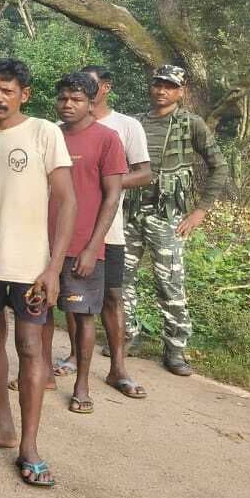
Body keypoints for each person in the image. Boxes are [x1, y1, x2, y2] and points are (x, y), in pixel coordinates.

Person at [0, 59, 75, 487]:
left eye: (7, 91)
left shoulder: (44, 133)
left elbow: (67, 201)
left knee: (30, 348)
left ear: (25, 93)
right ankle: (3, 428)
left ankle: (30, 446)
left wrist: (54, 268)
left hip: (30, 269)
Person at [124, 64, 231, 376]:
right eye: (158, 84)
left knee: (170, 284)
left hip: (167, 216)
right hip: (131, 212)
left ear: (180, 91)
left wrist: (200, 211)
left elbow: (219, 167)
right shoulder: (136, 123)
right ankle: (127, 337)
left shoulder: (190, 123)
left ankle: (174, 350)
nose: (161, 90)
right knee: (120, 280)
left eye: (169, 86)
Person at [42, 73, 127, 415]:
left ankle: (82, 384)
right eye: (62, 98)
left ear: (92, 103)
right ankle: (44, 373)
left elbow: (112, 197)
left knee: (82, 316)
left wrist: (94, 246)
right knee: (40, 312)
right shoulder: (49, 135)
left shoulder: (107, 139)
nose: (67, 105)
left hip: (83, 245)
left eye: (75, 99)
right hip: (43, 243)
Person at [79, 64, 152, 399]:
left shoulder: (126, 126)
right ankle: (72, 358)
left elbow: (144, 173)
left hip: (111, 230)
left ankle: (118, 367)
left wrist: (105, 180)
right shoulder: (64, 126)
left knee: (112, 295)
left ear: (105, 87)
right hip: (74, 228)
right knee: (75, 299)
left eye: (89, 84)